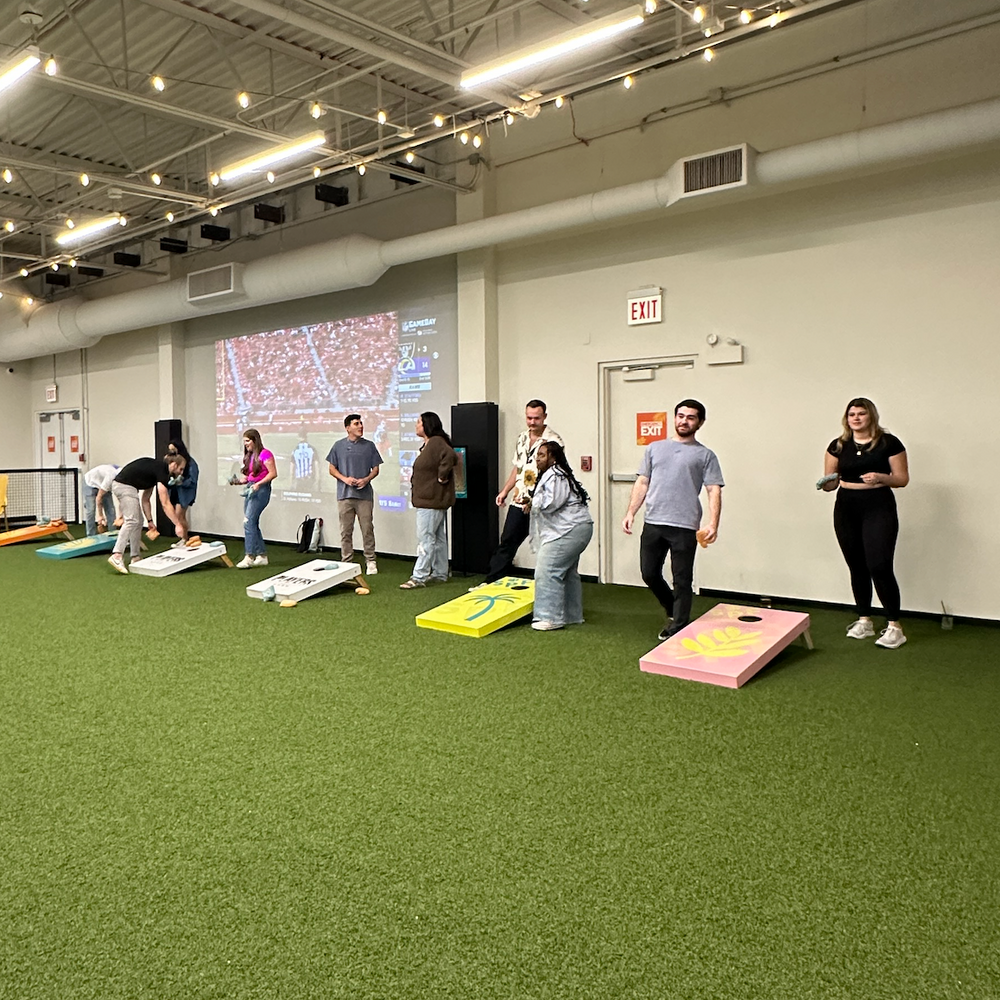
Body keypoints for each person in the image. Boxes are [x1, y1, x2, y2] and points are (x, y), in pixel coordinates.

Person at [622, 399, 724, 640]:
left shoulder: (706, 455)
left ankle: (678, 623)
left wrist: (713, 523)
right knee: (649, 573)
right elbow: (642, 482)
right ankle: (671, 607)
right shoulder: (654, 448)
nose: (684, 421)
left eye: (690, 417)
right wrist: (630, 512)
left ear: (700, 422)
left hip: (685, 525)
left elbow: (713, 490)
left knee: (682, 579)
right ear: (674, 418)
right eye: (680, 416)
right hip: (654, 521)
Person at [820, 397, 909, 649]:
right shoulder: (838, 445)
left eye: (861, 414)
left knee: (879, 565)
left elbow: (902, 479)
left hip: (878, 504)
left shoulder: (888, 443)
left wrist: (881, 477)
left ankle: (894, 626)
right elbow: (831, 482)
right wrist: (826, 483)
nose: (856, 418)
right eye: (851, 414)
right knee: (856, 565)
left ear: (871, 416)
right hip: (846, 505)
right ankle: (864, 620)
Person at [482, 399, 563, 584]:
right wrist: (504, 491)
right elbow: (518, 469)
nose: (532, 422)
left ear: (545, 417)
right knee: (508, 540)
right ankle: (492, 581)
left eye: (536, 418)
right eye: (529, 418)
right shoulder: (522, 438)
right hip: (519, 499)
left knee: (546, 544)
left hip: (542, 503)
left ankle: (549, 584)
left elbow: (554, 474)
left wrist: (534, 499)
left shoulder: (554, 442)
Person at [524, 441, 593, 631]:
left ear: (553, 458)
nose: (538, 459)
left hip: (567, 530)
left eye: (543, 455)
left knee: (547, 570)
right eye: (537, 455)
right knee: (568, 572)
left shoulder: (555, 475)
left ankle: (550, 617)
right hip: (576, 528)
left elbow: (552, 503)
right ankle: (571, 615)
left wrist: (533, 501)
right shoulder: (558, 474)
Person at [400, 412, 458, 589]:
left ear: (427, 425)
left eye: (419, 422)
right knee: (438, 538)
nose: (416, 425)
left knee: (426, 538)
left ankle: (419, 576)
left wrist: (442, 477)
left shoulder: (436, 443)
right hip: (432, 499)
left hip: (430, 500)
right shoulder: (431, 444)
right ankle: (440, 572)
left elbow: (450, 456)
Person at [107, 454, 188, 573]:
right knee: (132, 520)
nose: (181, 473)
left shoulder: (155, 472)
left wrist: (150, 521)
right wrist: (178, 524)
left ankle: (135, 557)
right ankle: (117, 555)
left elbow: (145, 499)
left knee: (138, 522)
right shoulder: (162, 471)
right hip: (124, 486)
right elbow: (165, 502)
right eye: (180, 469)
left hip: (125, 486)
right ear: (174, 465)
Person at [327, 413, 383, 575]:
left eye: (361, 423)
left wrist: (366, 479)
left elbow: (376, 469)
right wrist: (345, 479)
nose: (360, 426)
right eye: (356, 424)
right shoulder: (338, 446)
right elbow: (331, 469)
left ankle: (370, 560)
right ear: (347, 428)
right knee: (346, 530)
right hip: (344, 495)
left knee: (367, 529)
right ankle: (346, 561)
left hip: (364, 496)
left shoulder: (369, 446)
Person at [232, 428, 277, 569]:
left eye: (247, 441)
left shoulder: (265, 454)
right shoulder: (250, 456)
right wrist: (238, 481)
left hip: (261, 490)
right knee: (252, 522)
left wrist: (258, 484)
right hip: (251, 488)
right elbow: (250, 476)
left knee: (248, 522)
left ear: (254, 440)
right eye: (244, 441)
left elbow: (273, 473)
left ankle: (249, 556)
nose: (245, 444)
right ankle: (261, 555)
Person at [166, 438, 199, 548]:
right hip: (175, 490)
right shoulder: (172, 460)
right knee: (178, 515)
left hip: (185, 492)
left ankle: (185, 539)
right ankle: (183, 539)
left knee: (180, 516)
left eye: (174, 450)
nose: (173, 452)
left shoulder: (190, 462)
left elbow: (193, 480)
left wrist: (181, 482)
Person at [83, 462, 118, 536]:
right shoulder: (110, 477)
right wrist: (100, 516)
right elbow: (99, 498)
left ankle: (113, 534)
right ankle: (90, 535)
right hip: (89, 483)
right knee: (91, 510)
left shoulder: (120, 474)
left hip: (102, 483)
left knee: (110, 509)